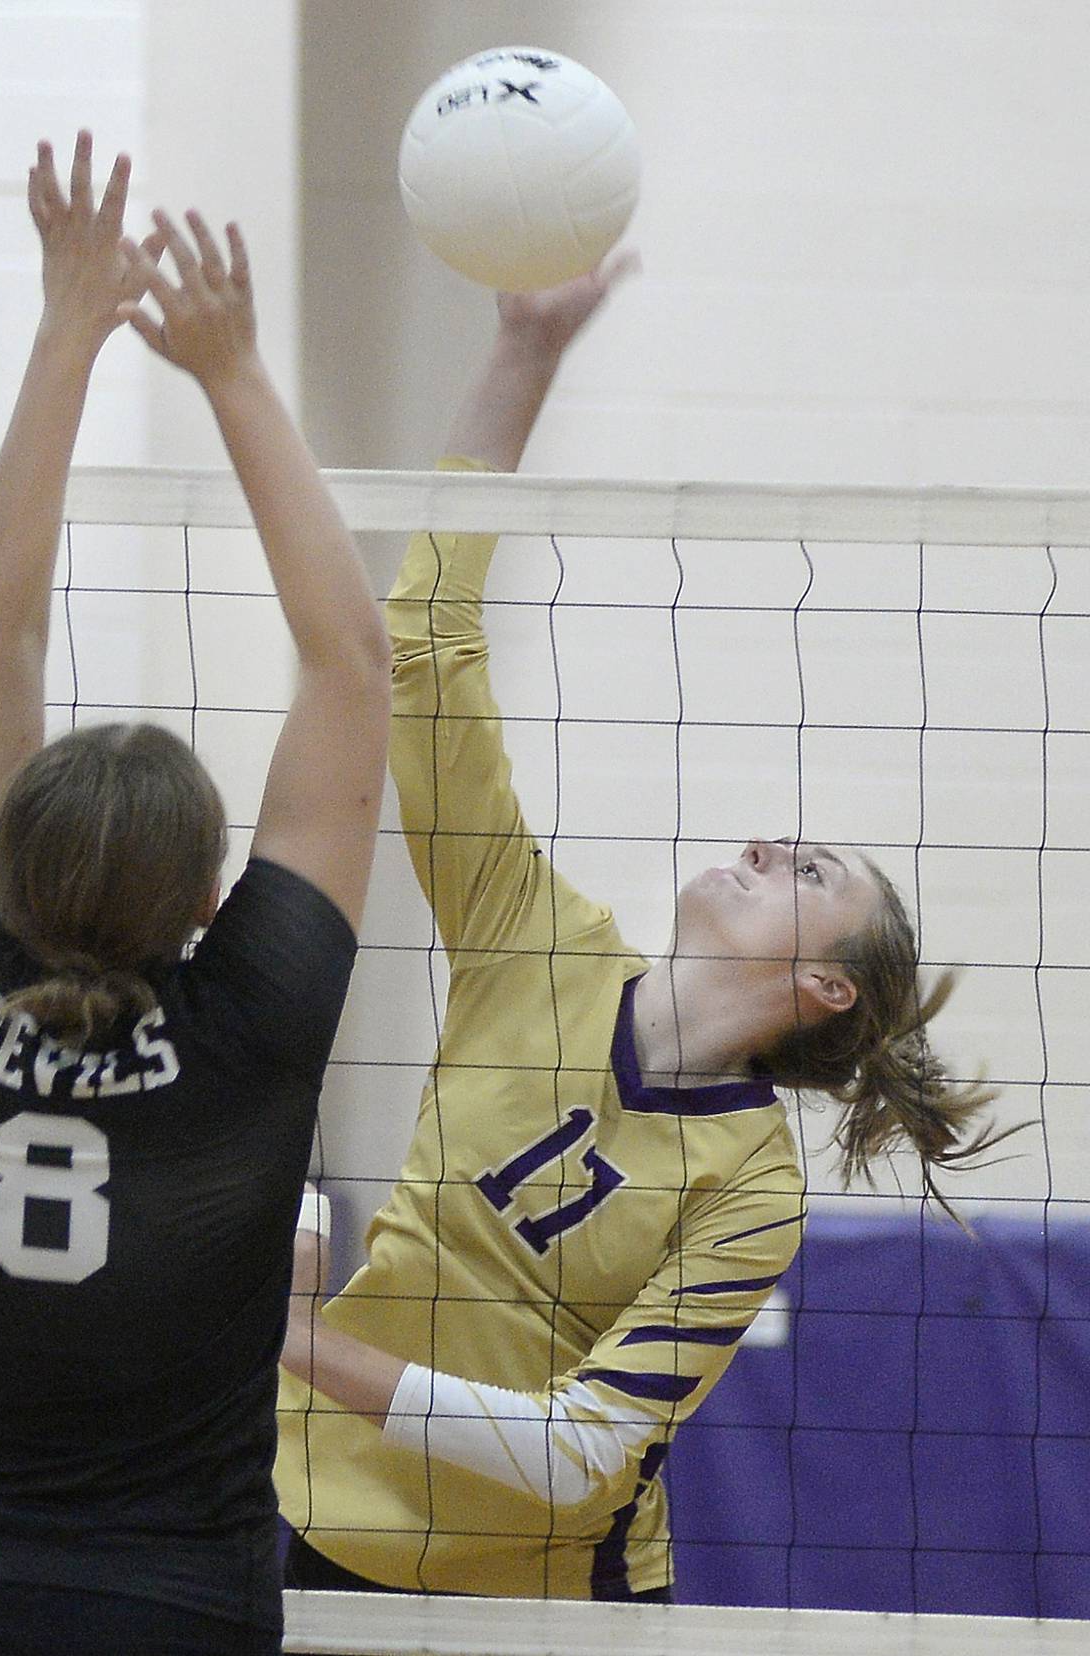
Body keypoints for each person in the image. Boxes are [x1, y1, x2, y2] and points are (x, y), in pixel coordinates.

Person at [275, 258, 1011, 1606]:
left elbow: (578, 1454)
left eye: (811, 867)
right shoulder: (531, 941)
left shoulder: (750, 1193)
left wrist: (290, 1341)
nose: (765, 846)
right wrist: (522, 359)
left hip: (537, 1600)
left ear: (824, 985)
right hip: (308, 1526)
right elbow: (425, 645)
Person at [0, 131, 390, 1656]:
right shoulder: (255, 1018)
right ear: (215, 896)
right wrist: (229, 373)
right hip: (173, 1610)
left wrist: (65, 329)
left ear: (4, 866)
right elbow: (355, 664)